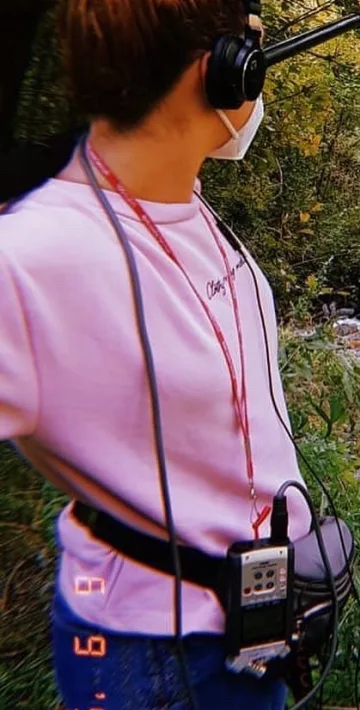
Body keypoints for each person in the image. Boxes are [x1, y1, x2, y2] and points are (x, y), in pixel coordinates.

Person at [0, 1, 312, 707]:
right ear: (223, 70)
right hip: (155, 663)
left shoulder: (182, 202)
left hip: (250, 630)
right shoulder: (31, 255)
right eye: (254, 46)